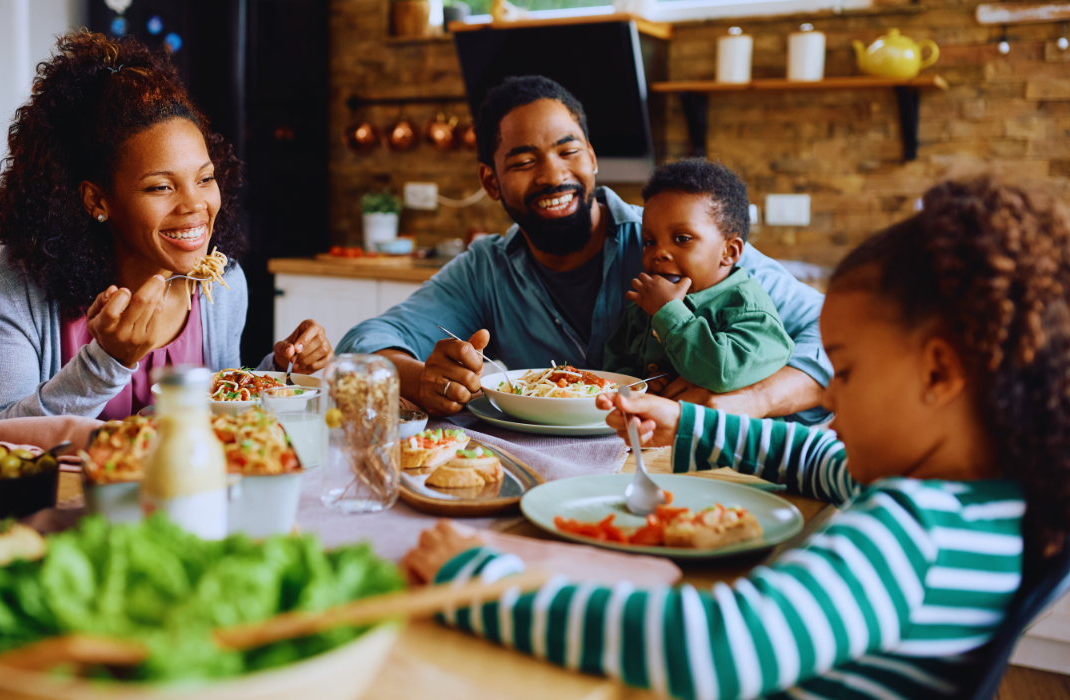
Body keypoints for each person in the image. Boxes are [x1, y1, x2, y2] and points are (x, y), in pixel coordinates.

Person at [404, 176, 1070, 699]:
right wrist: (688, 423)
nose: (829, 393)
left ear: (940, 372)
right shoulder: (982, 498)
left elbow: (713, 647)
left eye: (848, 370)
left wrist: (481, 581)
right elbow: (816, 458)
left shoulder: (910, 531)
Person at [336, 76, 830, 423]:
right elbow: (365, 341)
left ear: (592, 159)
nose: (554, 175)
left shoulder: (669, 244)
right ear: (491, 181)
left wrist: (751, 400)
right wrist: (421, 377)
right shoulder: (484, 270)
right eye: (525, 160)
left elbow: (829, 332)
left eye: (569, 151)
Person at [0, 32, 332, 454]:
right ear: (96, 199)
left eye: (205, 179)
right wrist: (106, 364)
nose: (196, 206)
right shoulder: (18, 277)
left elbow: (222, 416)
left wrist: (280, 370)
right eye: (160, 187)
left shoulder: (221, 285)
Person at [603, 159, 793, 394]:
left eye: (682, 238)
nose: (659, 253)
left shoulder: (748, 308)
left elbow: (723, 372)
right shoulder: (646, 305)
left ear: (729, 251)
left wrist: (669, 312)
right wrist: (640, 384)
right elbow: (613, 370)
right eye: (650, 242)